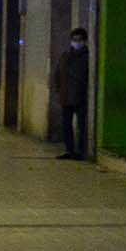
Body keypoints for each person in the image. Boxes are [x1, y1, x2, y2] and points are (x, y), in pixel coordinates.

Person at [51, 27, 90, 160]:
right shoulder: (66, 55)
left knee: (81, 126)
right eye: (74, 40)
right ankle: (69, 149)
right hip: (66, 97)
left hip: (81, 98)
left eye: (79, 40)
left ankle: (80, 151)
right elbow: (58, 73)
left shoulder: (88, 57)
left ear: (84, 41)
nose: (76, 42)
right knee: (66, 125)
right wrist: (59, 90)